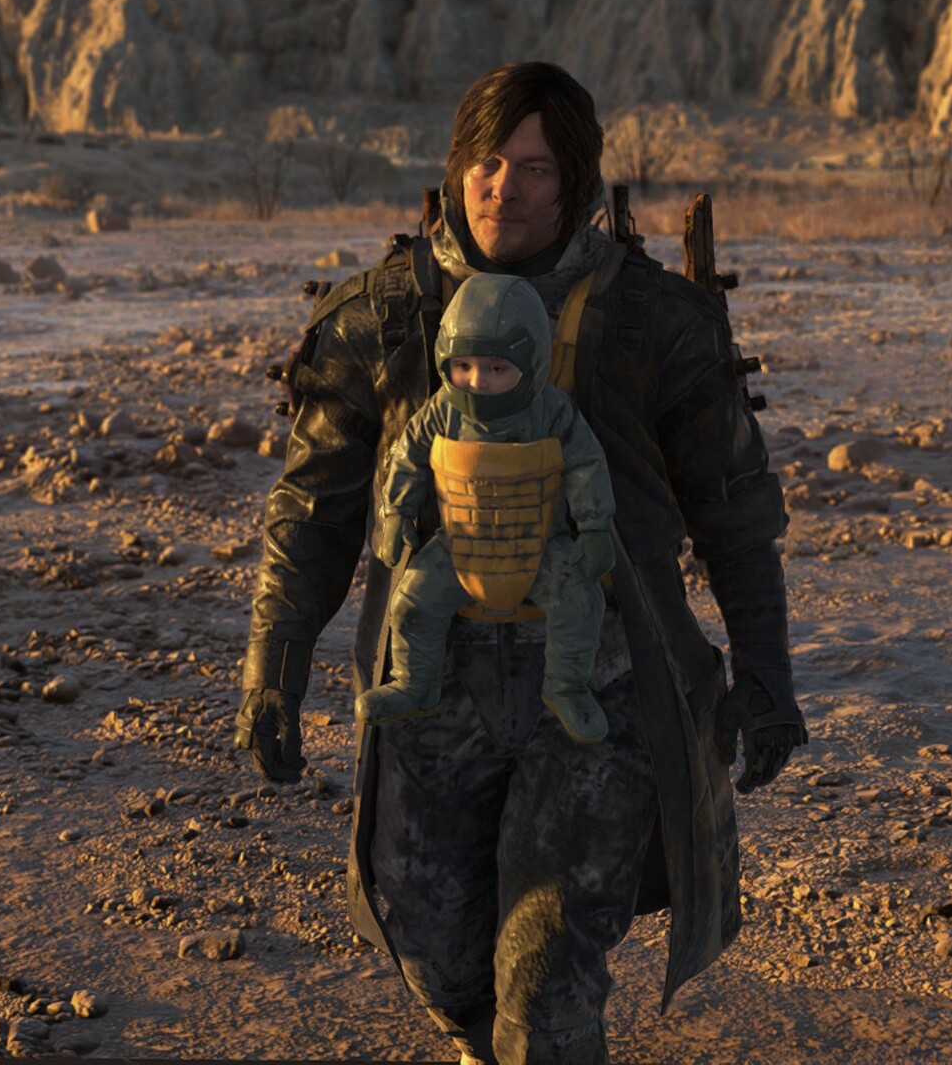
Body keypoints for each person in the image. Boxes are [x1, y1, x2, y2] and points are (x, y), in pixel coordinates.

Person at [236, 61, 805, 1065]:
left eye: (535, 169)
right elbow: (312, 512)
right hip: (430, 696)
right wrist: (271, 668)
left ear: (574, 181)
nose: (504, 189)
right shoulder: (382, 318)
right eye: (488, 164)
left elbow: (735, 515)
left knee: (546, 983)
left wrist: (765, 673)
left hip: (599, 692)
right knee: (437, 952)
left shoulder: (654, 322)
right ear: (457, 169)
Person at [361, 272, 620, 744]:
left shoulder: (553, 411)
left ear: (532, 362)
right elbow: (408, 456)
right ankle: (413, 685)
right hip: (458, 545)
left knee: (580, 601)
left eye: (497, 368)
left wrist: (595, 528)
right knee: (412, 604)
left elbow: (586, 463)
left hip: (539, 546)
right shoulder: (441, 411)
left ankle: (566, 688)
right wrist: (396, 513)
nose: (477, 381)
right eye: (463, 366)